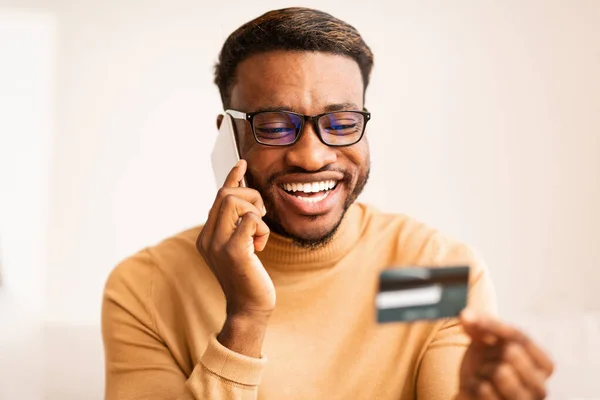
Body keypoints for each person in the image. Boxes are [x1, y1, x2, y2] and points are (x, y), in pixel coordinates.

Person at [102, 7, 554, 400]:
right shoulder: (147, 290)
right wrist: (245, 317)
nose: (312, 156)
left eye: (341, 122)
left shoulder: (433, 272)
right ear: (228, 135)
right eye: (276, 126)